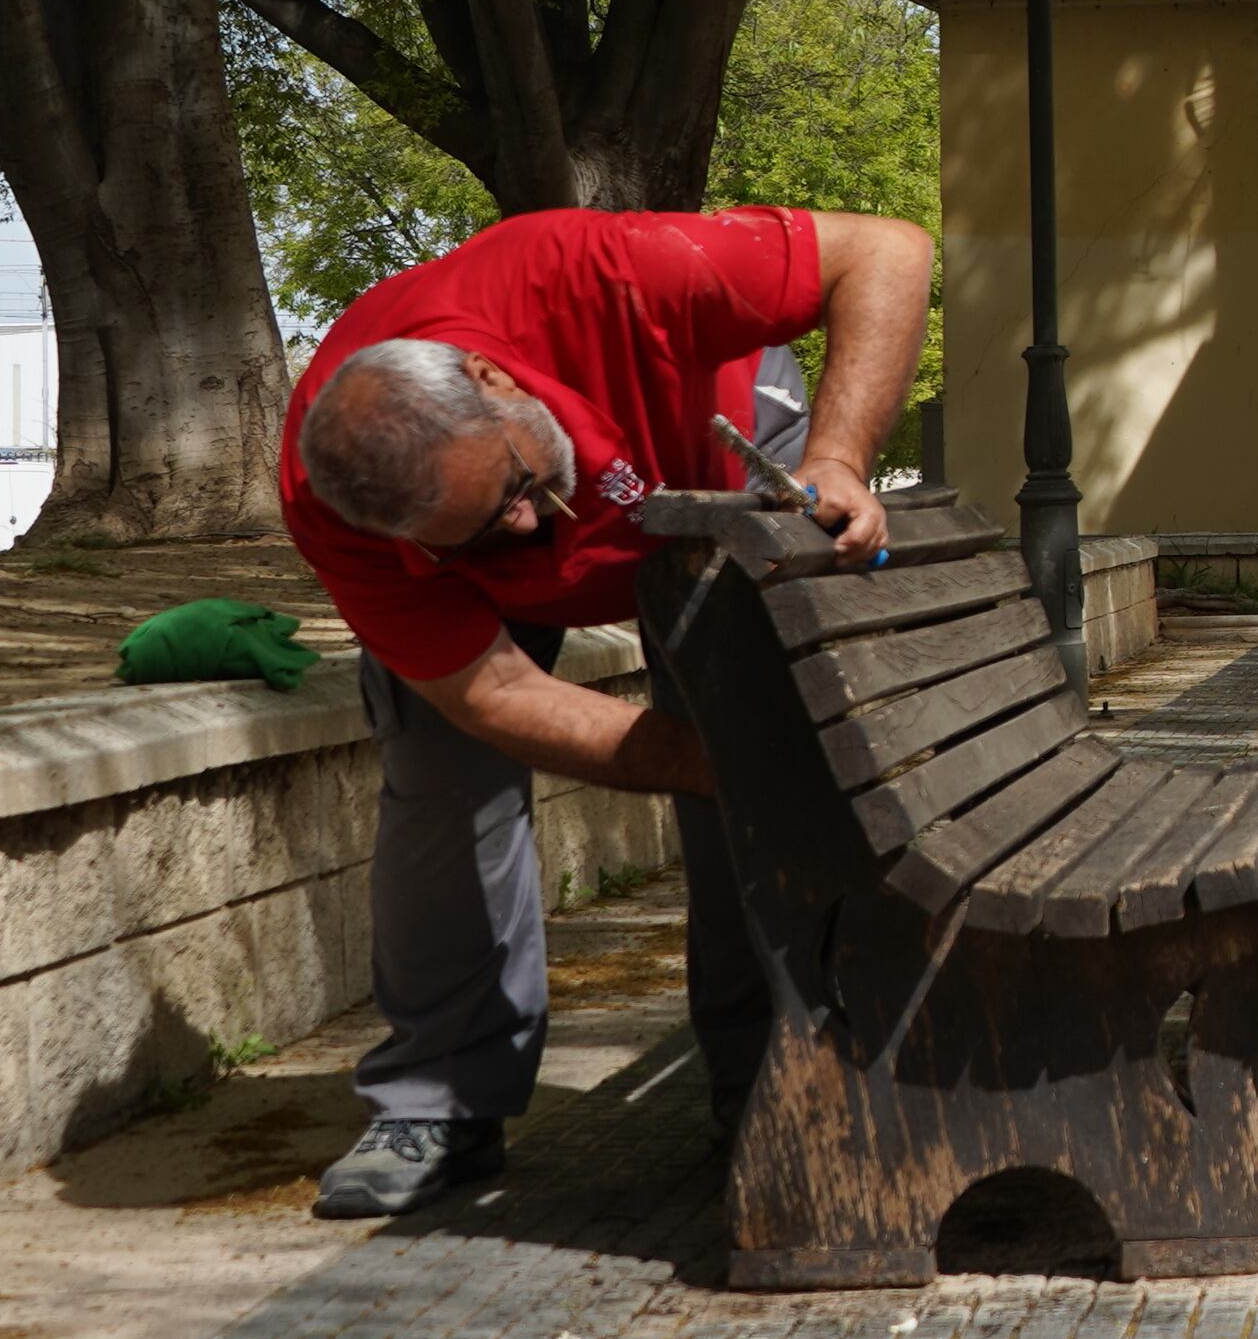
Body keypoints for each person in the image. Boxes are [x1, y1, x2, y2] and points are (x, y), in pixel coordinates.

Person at [277, 204, 935, 1220]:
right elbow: (498, 696)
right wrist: (703, 760)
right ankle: (441, 1099)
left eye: (517, 489)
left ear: (495, 383)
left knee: (748, 728)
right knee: (440, 774)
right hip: (506, 605)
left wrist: (840, 458)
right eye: (480, 534)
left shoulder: (593, 271)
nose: (528, 527)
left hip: (706, 475)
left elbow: (884, 251)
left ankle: (761, 1065)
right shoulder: (336, 497)